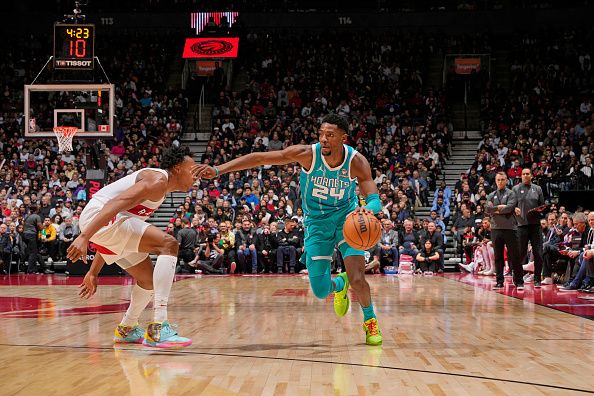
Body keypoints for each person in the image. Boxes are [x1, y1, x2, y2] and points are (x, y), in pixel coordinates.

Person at [195, 114, 383, 345]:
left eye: (330, 135)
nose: (323, 139)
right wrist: (218, 170)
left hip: (347, 220)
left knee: (359, 278)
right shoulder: (307, 154)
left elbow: (374, 199)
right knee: (321, 291)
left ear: (343, 138)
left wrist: (366, 211)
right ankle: (340, 284)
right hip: (317, 224)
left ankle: (370, 321)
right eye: (321, 133)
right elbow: (259, 158)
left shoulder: (357, 161)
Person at [69, 146, 197, 348]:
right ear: (178, 168)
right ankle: (159, 327)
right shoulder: (157, 180)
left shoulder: (160, 191)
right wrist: (85, 236)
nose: (196, 176)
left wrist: (93, 272)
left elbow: (117, 235)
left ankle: (127, 328)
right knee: (169, 244)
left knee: (148, 280)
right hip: (99, 216)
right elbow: (118, 202)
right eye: (192, 170)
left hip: (106, 222)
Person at [485, 172, 524, 290]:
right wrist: (501, 208)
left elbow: (510, 207)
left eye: (502, 179)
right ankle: (499, 281)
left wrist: (497, 209)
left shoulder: (511, 193)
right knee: (498, 257)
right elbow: (488, 209)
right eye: (498, 180)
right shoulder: (491, 195)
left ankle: (519, 281)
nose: (500, 182)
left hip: (510, 229)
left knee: (515, 256)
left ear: (506, 180)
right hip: (496, 229)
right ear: (496, 181)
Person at [513, 168, 546, 287]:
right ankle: (518, 279)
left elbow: (542, 205)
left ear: (531, 175)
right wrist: (514, 208)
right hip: (521, 225)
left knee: (538, 253)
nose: (526, 175)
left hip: (535, 225)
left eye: (528, 174)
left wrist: (539, 209)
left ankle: (537, 279)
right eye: (524, 174)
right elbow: (511, 205)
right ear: (521, 176)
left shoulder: (538, 189)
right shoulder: (516, 189)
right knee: (521, 254)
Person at [24, 204, 43, 274]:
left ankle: (34, 269)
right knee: (33, 253)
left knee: (32, 252)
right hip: (31, 235)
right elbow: (40, 227)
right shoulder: (37, 216)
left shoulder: (26, 216)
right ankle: (30, 270)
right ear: (37, 210)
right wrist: (44, 234)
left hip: (25, 235)